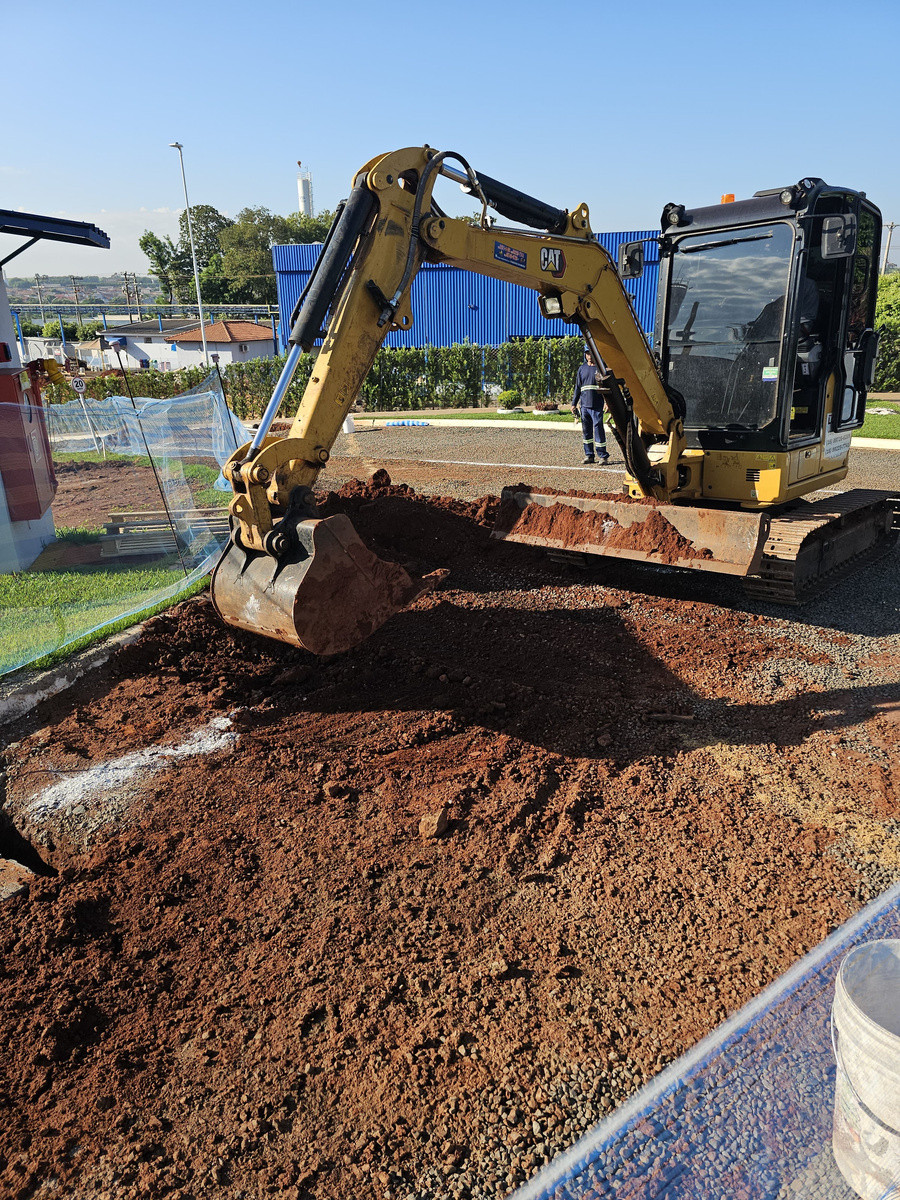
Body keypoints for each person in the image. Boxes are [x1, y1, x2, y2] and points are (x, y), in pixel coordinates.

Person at [571, 348, 610, 464]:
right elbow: (578, 387)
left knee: (598, 429)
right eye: (587, 354)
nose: (589, 356)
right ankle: (589, 455)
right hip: (584, 406)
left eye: (591, 353)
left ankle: (603, 456)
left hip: (597, 405)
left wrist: (607, 402)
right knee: (586, 431)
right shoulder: (582, 369)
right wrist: (573, 404)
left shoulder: (601, 368)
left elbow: (607, 386)